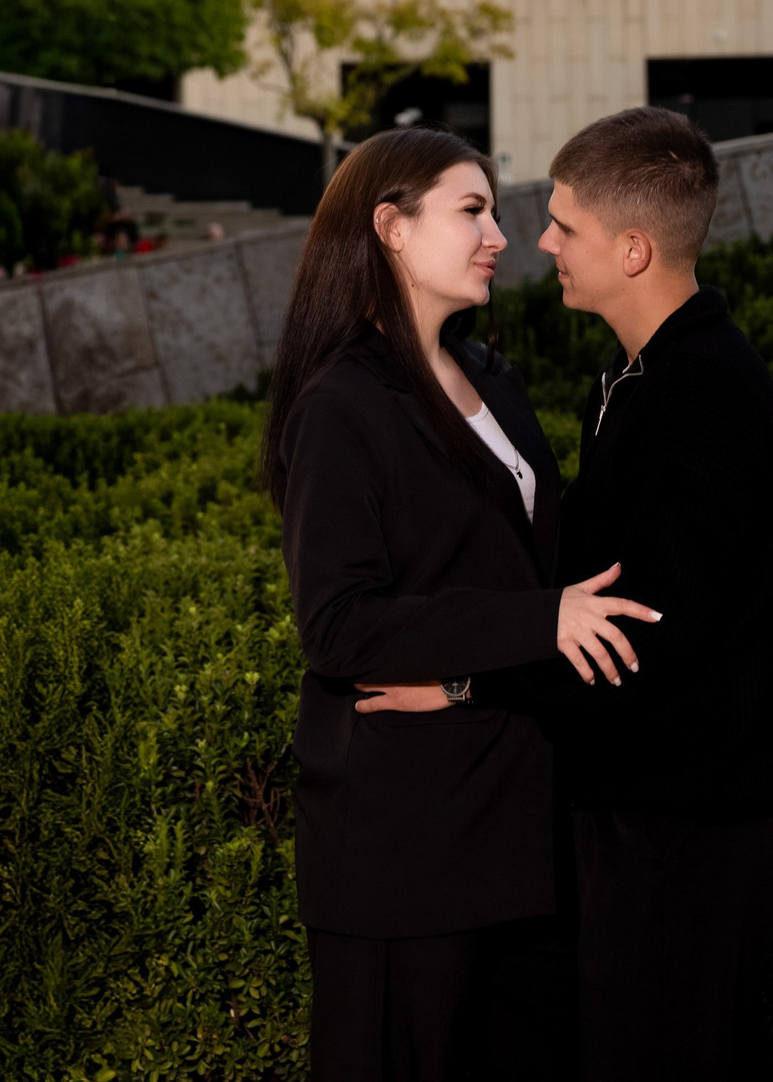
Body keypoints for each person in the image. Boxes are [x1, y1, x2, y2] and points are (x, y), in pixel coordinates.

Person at [265, 126, 662, 1082]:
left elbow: (539, 566)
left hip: (523, 833)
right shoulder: (342, 404)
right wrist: (539, 621)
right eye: (473, 210)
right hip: (406, 848)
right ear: (390, 228)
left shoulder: (493, 376)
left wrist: (467, 675)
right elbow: (340, 625)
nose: (500, 235)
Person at [534, 108, 773, 1082]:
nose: (543, 243)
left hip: (686, 827)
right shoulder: (634, 375)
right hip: (648, 813)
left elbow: (651, 635)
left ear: (633, 247)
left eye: (564, 226)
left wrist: (463, 690)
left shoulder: (701, 392)